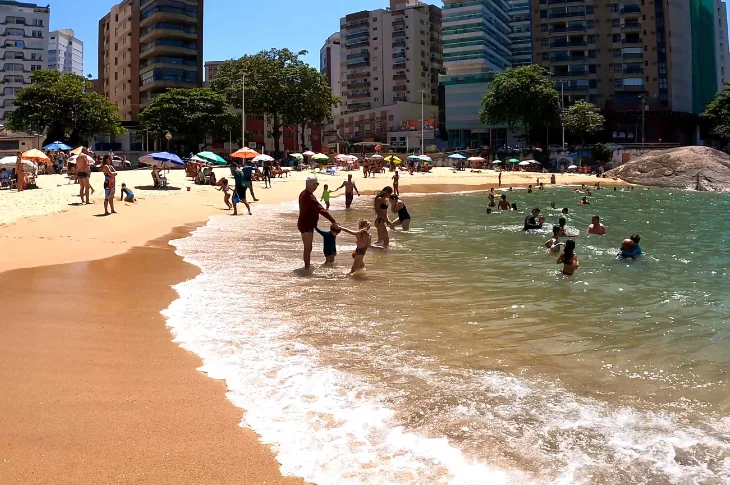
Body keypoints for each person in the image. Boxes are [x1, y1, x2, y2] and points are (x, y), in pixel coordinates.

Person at [298, 176, 337, 270]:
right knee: (308, 248)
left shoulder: (305, 193)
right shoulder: (309, 196)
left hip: (306, 224)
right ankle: (307, 268)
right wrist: (332, 220)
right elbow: (320, 209)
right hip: (306, 225)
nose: (317, 187)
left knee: (308, 247)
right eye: (316, 184)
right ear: (312, 184)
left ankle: (307, 266)